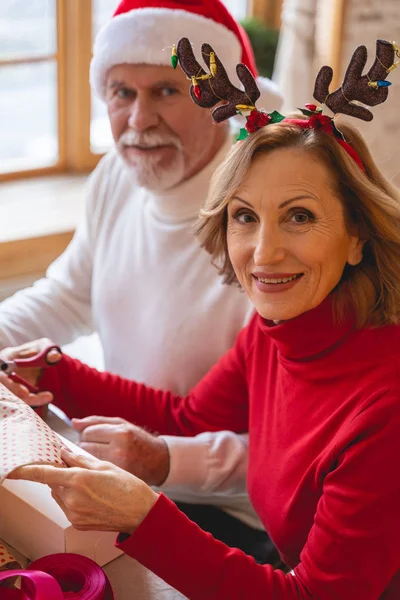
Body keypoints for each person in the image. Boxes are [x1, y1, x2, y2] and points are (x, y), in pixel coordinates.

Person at [5, 39, 400, 598]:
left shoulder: (385, 408)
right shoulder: (278, 331)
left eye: (300, 216)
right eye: (245, 216)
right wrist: (54, 370)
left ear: (357, 235)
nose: (263, 254)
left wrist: (146, 519)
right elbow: (186, 416)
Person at [0, 0, 282, 559]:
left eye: (167, 92)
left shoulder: (266, 221)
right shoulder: (115, 175)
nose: (138, 120)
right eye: (122, 93)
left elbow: (293, 451)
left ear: (219, 99)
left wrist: (165, 459)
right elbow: (67, 293)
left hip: (231, 511)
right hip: (125, 472)